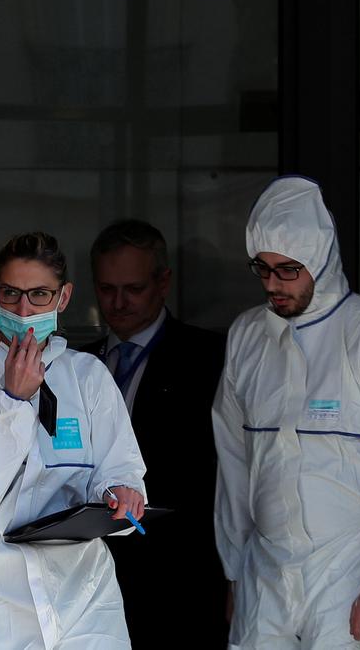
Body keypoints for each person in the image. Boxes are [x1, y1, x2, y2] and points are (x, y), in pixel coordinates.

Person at [213, 176, 360, 649]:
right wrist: (234, 571)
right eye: (263, 269)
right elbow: (233, 463)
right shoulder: (247, 337)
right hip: (267, 572)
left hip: (353, 569)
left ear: (320, 259)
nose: (274, 284)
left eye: (288, 269)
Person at [0, 232, 147, 649]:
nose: (24, 310)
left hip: (84, 595)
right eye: (11, 294)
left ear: (63, 298)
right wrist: (12, 399)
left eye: (39, 295)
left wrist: (121, 492)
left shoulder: (87, 375)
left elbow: (119, 467)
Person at [80, 218, 228, 647]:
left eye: (134, 288)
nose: (119, 302)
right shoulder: (75, 365)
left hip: (181, 578)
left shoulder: (209, 360)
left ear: (163, 282)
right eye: (107, 289)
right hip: (91, 574)